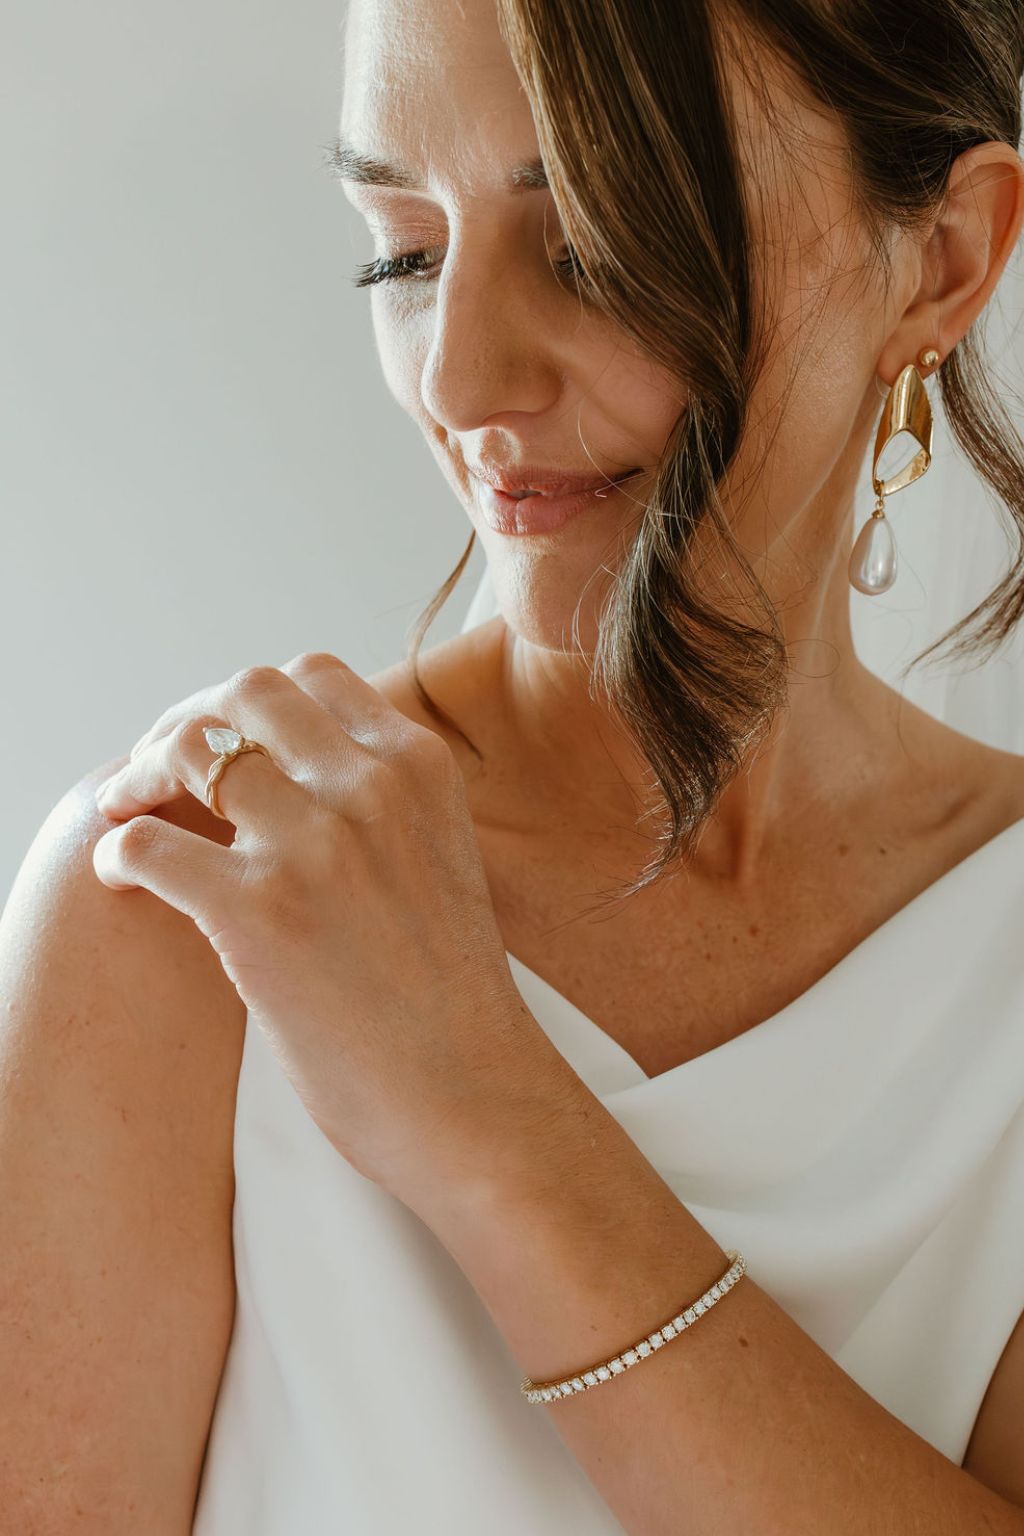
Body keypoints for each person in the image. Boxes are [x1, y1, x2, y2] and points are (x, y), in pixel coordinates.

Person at [3, 0, 1024, 1530]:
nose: (461, 381)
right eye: (400, 251)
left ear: (944, 256)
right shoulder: (185, 898)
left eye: (596, 240)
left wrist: (480, 1112)